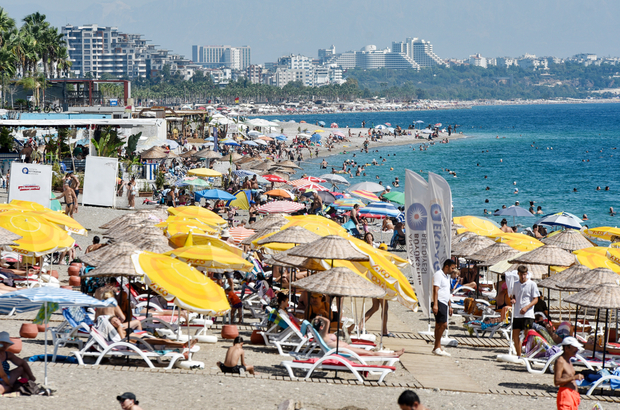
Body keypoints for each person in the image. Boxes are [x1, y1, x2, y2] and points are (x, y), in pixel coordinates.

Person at [313, 316, 403, 357]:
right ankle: (393, 355)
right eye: (323, 325)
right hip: (344, 350)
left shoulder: (322, 335)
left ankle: (392, 354)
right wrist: (319, 317)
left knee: (369, 353)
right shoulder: (323, 335)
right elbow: (328, 321)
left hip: (345, 348)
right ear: (321, 327)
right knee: (370, 353)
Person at [511, 265, 540, 357]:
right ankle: (519, 356)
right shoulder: (515, 284)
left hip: (528, 314)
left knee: (527, 336)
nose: (523, 276)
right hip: (517, 313)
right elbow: (514, 296)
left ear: (527, 274)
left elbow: (536, 299)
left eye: (524, 274)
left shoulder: (532, 284)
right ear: (518, 274)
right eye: (521, 274)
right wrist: (513, 300)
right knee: (514, 335)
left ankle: (528, 354)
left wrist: (527, 307)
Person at [432, 259, 456, 356]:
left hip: (444, 302)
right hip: (439, 301)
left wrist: (450, 305)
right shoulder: (438, 274)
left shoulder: (447, 277)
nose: (453, 270)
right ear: (447, 266)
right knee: (443, 324)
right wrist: (435, 304)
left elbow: (447, 292)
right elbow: (435, 289)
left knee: (439, 324)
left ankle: (437, 347)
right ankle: (437, 346)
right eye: (452, 268)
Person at [554, 337, 584, 410]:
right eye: (575, 348)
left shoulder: (568, 360)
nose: (577, 350)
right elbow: (557, 381)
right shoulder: (560, 361)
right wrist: (574, 377)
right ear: (566, 348)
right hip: (565, 396)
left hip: (573, 396)